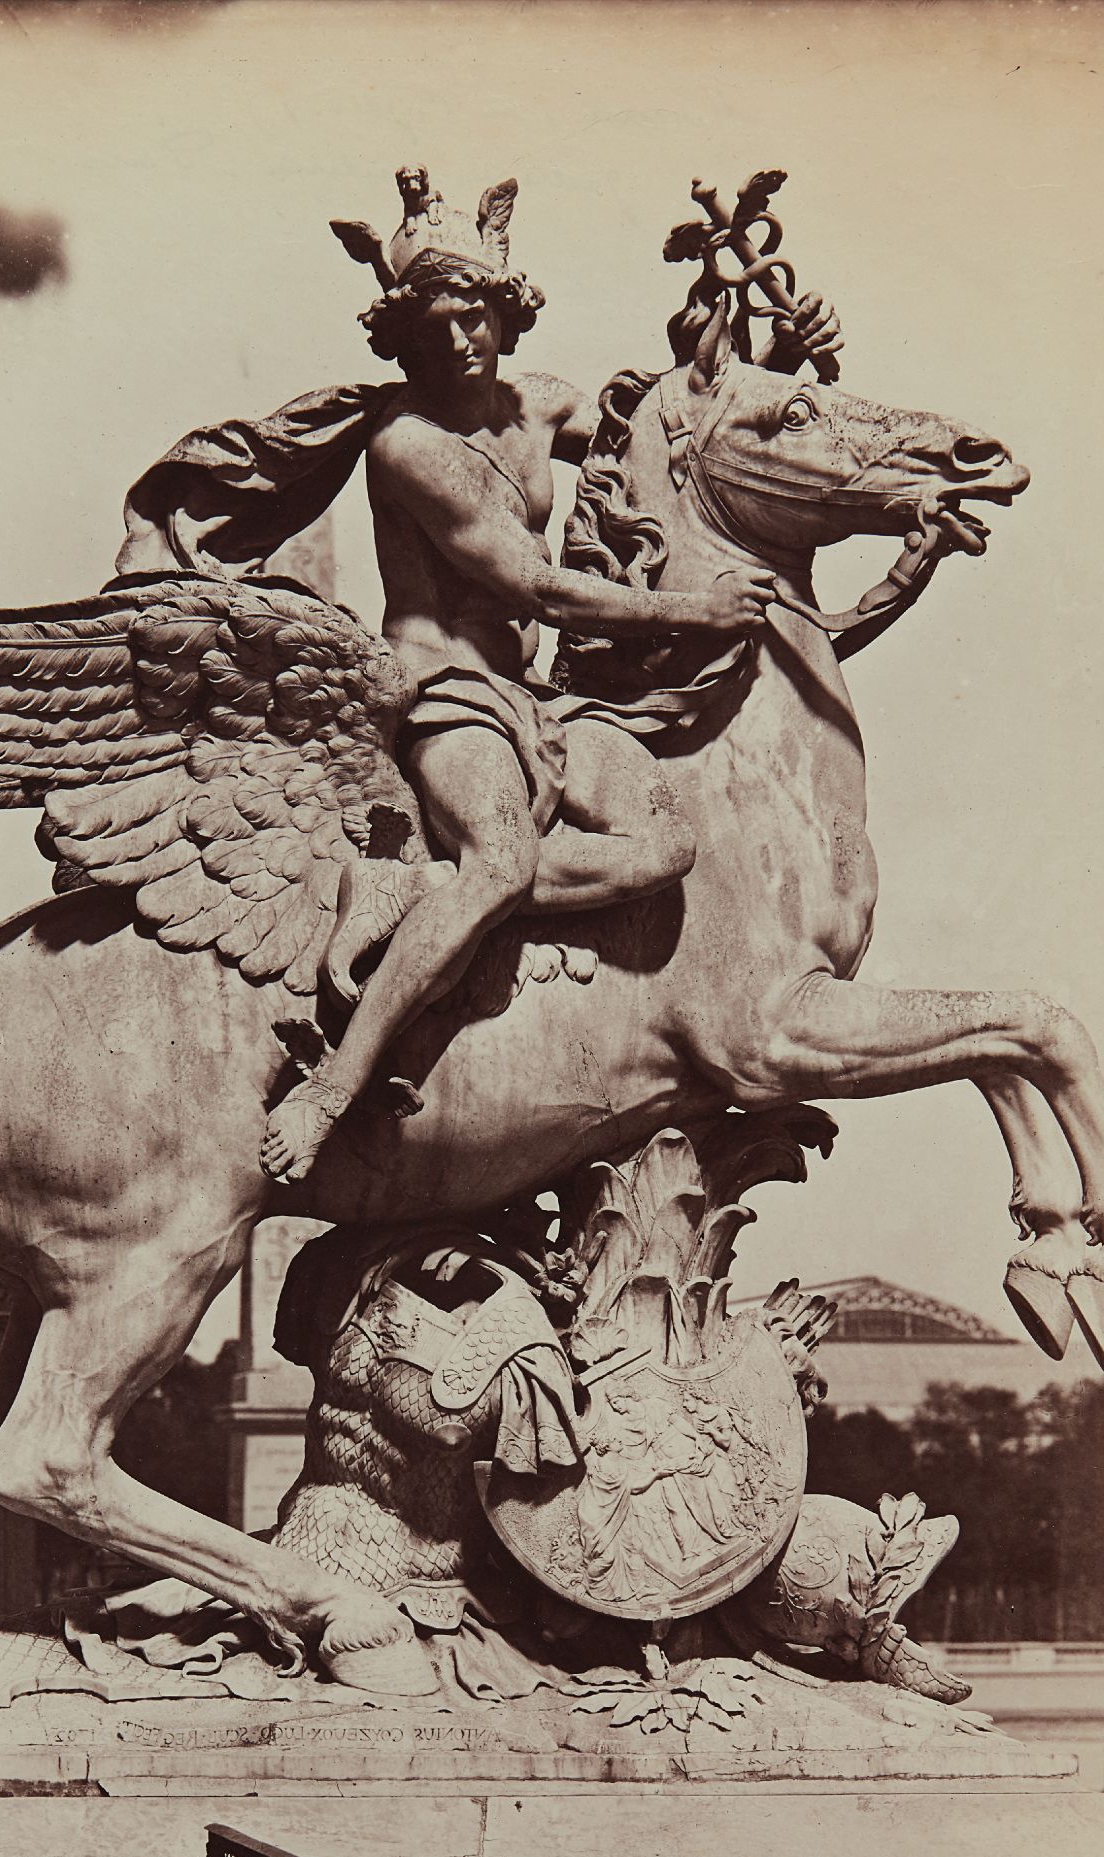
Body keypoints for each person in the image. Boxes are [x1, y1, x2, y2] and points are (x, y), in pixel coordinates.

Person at [258, 169, 840, 1183]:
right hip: (445, 696)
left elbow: (677, 434)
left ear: (504, 313)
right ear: (403, 332)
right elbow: (535, 586)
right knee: (500, 858)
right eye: (434, 323)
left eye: (474, 316)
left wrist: (789, 359)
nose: (457, 341)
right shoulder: (406, 447)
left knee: (664, 841)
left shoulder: (539, 408)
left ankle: (421, 900)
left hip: (539, 703)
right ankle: (331, 1085)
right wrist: (685, 610)